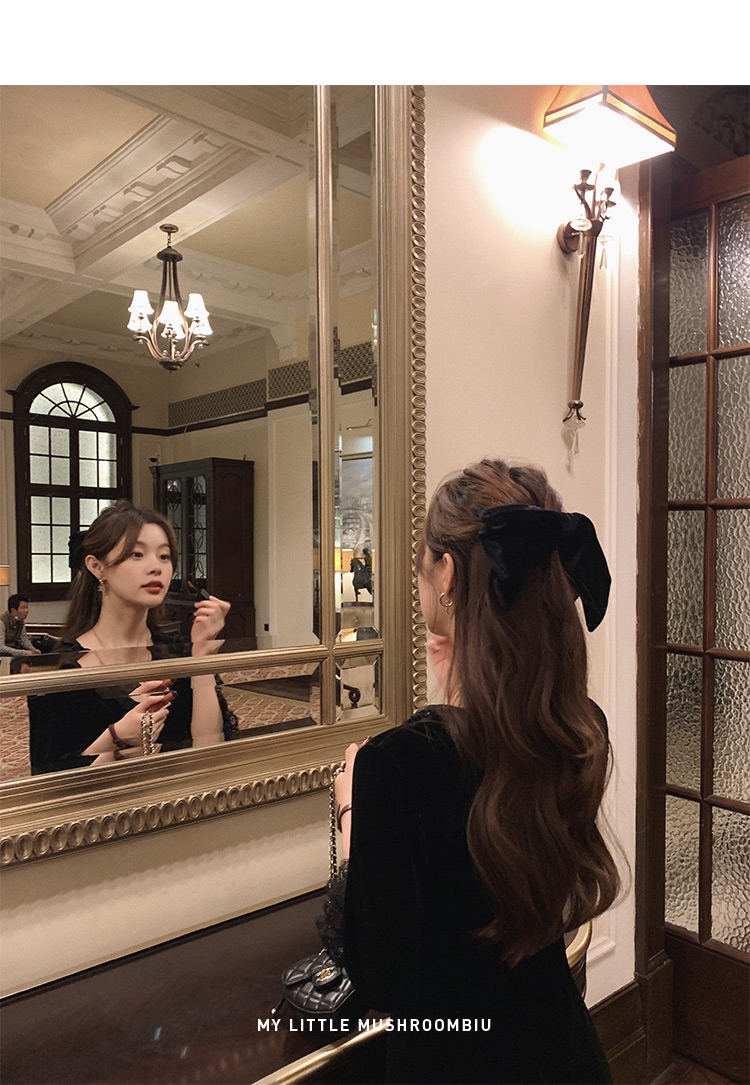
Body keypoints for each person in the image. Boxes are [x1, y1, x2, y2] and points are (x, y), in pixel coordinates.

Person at [322, 459, 620, 1084]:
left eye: (422, 563)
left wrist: (354, 815)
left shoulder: (394, 766)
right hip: (562, 1051)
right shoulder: (575, 726)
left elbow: (383, 980)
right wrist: (460, 686)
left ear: (448, 574)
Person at [28, 501, 235, 774]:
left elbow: (210, 757)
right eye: (137, 554)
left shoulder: (179, 654)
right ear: (96, 566)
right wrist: (116, 737)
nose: (156, 567)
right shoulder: (61, 669)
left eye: (164, 556)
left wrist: (201, 655)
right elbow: (50, 783)